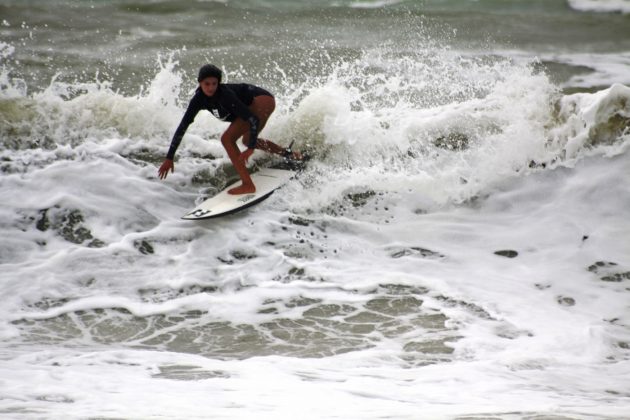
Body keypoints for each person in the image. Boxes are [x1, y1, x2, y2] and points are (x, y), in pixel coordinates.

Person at [158, 64, 301, 194]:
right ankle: (290, 154)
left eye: (214, 83)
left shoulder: (225, 96)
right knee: (246, 140)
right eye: (207, 84)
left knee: (227, 139)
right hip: (256, 102)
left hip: (263, 101)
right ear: (200, 83)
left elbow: (253, 119)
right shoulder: (198, 100)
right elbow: (183, 126)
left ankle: (248, 185)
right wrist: (169, 158)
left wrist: (251, 149)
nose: (210, 88)